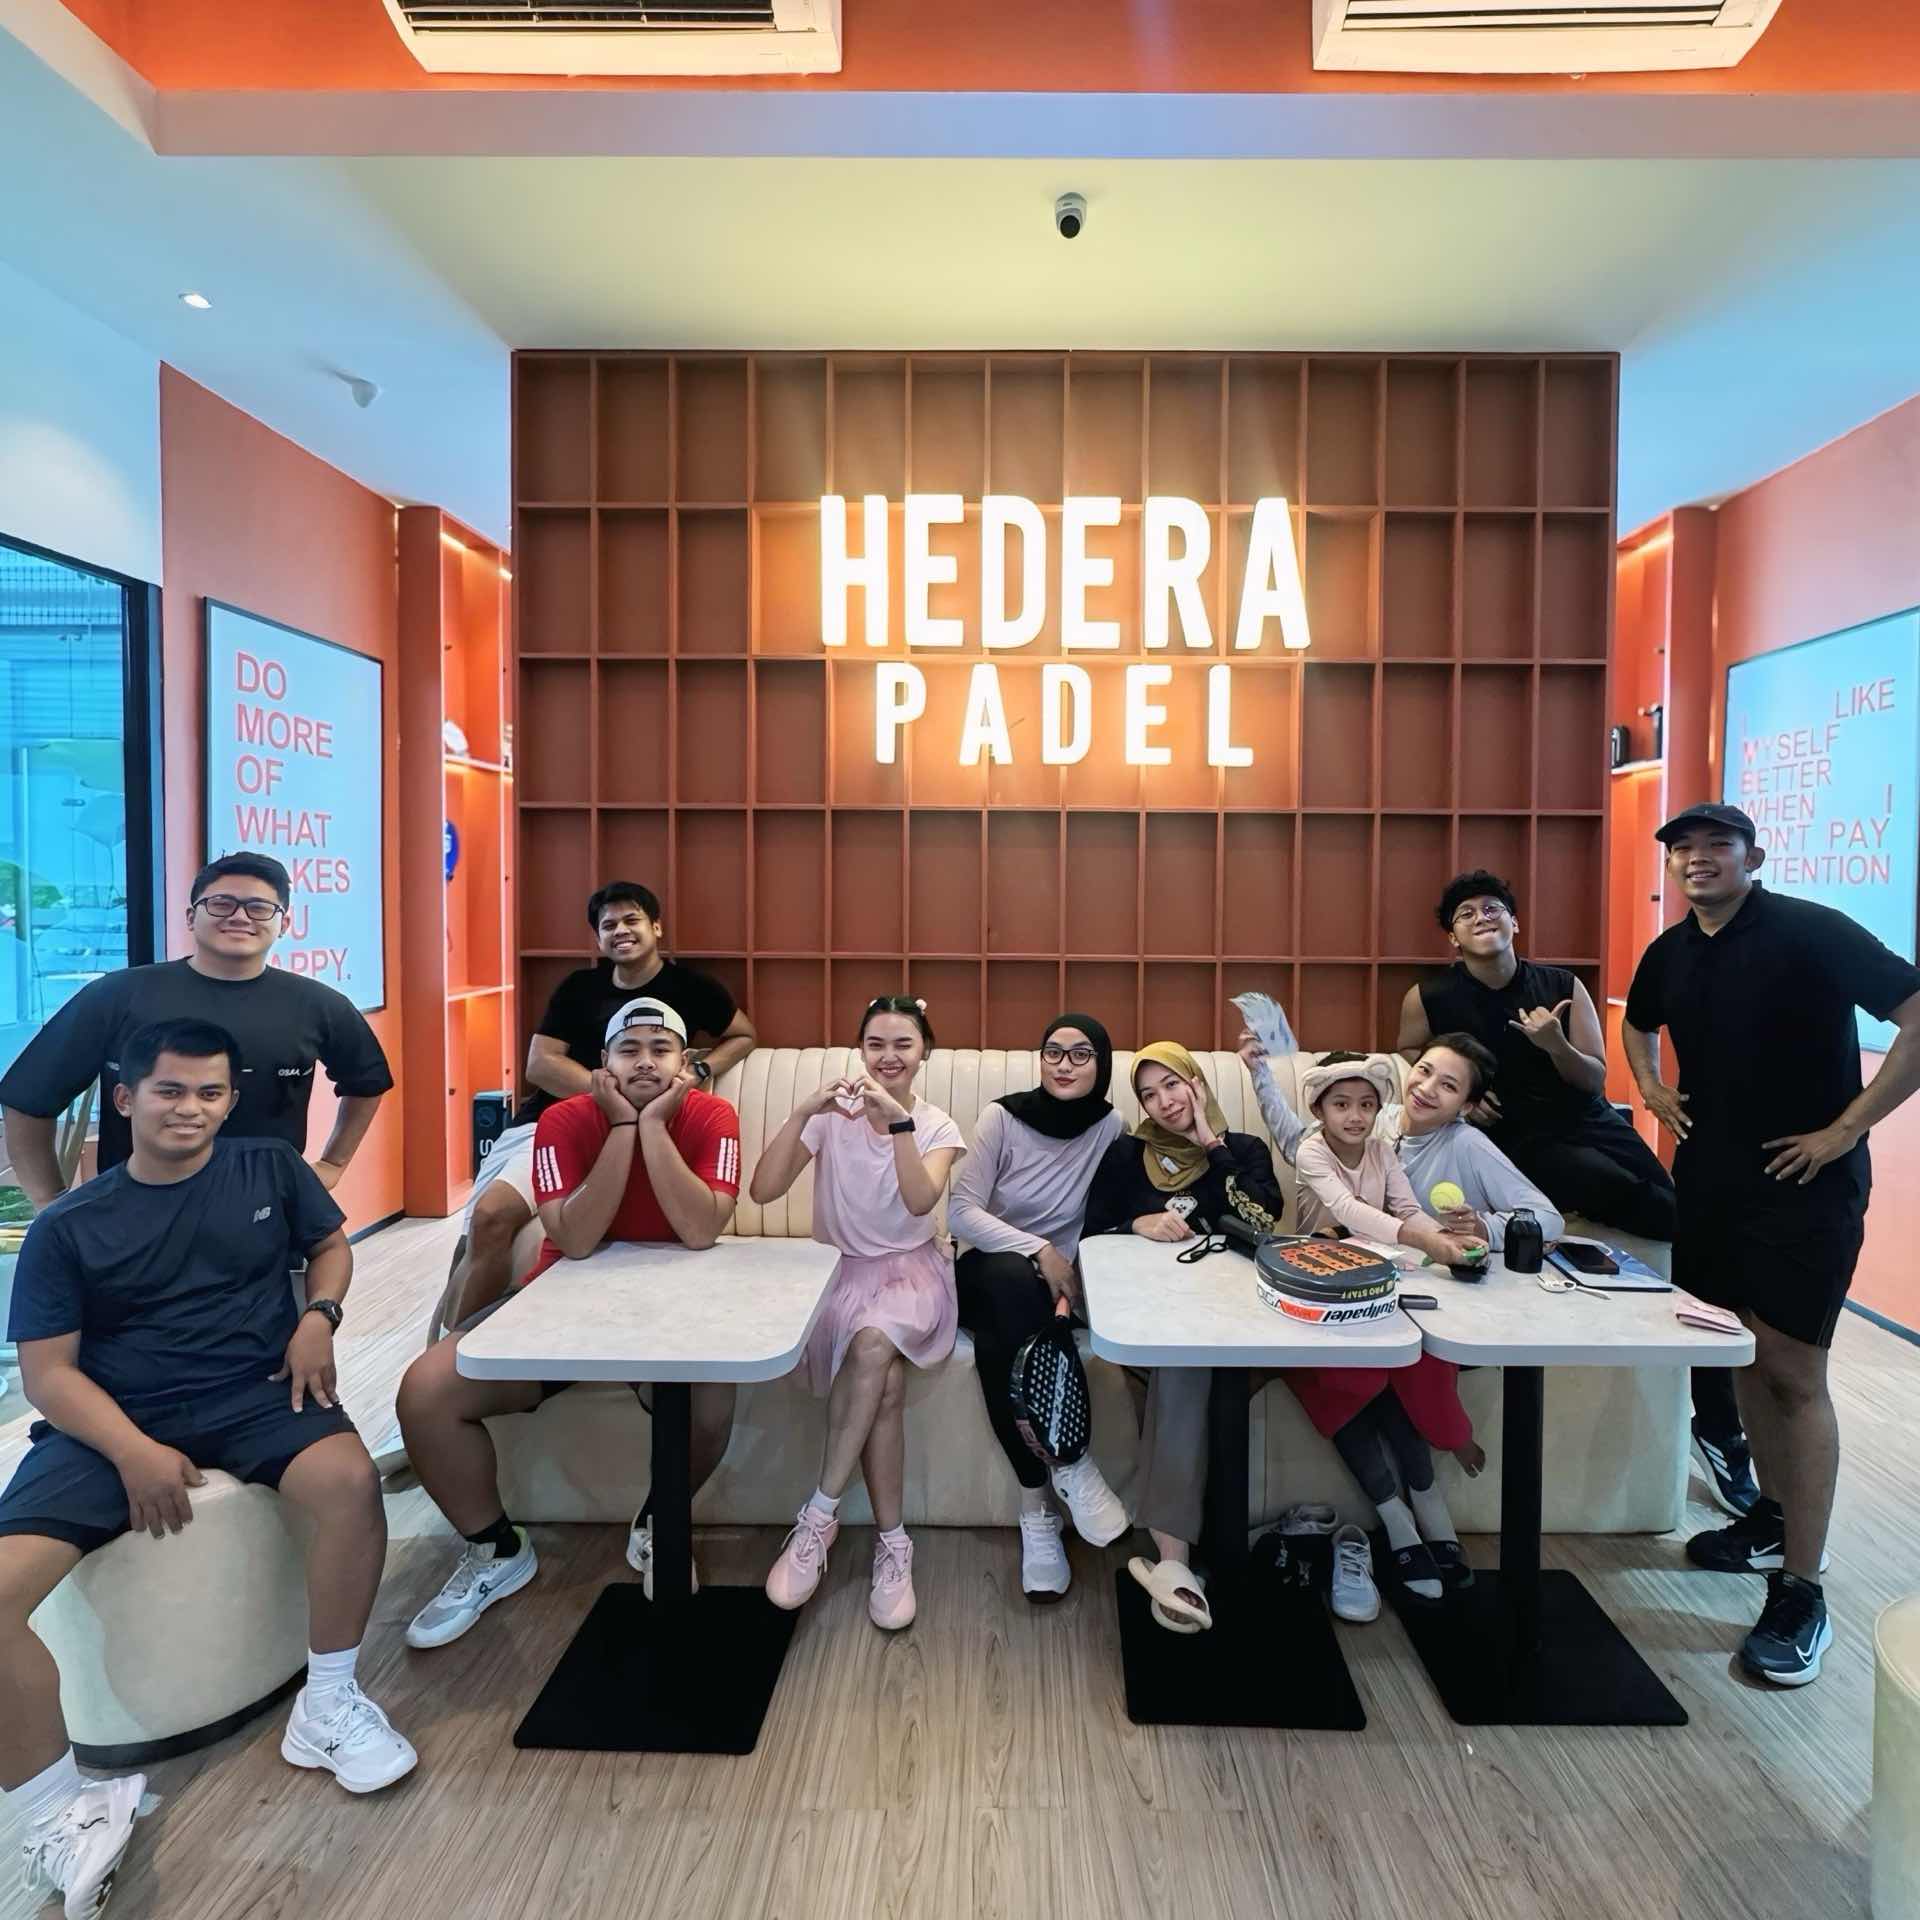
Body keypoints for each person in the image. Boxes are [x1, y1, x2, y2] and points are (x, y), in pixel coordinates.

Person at [2, 1020, 413, 1918]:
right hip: (111, 1417)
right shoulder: (69, 1226)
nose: (190, 1108)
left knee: (351, 1484)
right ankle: (58, 1810)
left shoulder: (269, 1168)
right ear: (126, 1099)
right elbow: (49, 1377)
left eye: (209, 1093)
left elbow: (330, 1247)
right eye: (169, 1090)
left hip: (256, 1389)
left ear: (230, 1101)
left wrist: (319, 1317)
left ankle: (328, 1704)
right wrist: (132, 1450)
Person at [1624, 803, 1920, 1687]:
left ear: (1753, 857)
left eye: (1717, 846)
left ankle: (1802, 1589)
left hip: (1806, 1189)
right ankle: (1772, 1520)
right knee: (1743, 1353)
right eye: (1683, 849)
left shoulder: (1811, 931)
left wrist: (1846, 1130)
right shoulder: (1671, 951)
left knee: (1793, 1372)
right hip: (1710, 1184)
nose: (1697, 860)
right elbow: (1637, 1022)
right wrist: (1649, 1086)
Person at [1399, 870, 1758, 1517]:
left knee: (1689, 1223)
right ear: (1452, 936)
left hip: (1589, 1122)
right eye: (1466, 913)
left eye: (1493, 908)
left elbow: (1594, 1078)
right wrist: (1464, 1101)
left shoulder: (1561, 986)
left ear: (1515, 923)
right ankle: (1722, 1424)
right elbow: (1410, 1060)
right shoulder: (1428, 996)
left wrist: (1554, 1043)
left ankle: (1716, 1419)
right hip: (1523, 1147)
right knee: (1654, 1209)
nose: (1482, 917)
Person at [397, 996, 742, 1648]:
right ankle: (496, 1548)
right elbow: (576, 1240)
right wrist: (623, 1128)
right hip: (561, 1301)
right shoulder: (562, 1120)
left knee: (712, 1407)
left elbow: (700, 1229)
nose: (645, 1063)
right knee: (425, 1393)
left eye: (661, 1050)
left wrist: (655, 1128)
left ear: (685, 1064)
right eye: (629, 1051)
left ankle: (659, 1520)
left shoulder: (712, 1115)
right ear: (603, 1063)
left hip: (674, 1305)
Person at [444, 881, 756, 1328]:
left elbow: (744, 1035)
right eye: (609, 926)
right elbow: (540, 1063)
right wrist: (611, 1097)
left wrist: (700, 1072)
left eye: (632, 920)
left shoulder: (690, 986)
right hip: (559, 1123)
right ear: (598, 938)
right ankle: (455, 1342)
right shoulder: (579, 988)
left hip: (650, 1124)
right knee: (489, 1217)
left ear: (656, 927)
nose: (621, 931)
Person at [0, 853, 392, 1208]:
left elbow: (367, 1081)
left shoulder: (318, 1004)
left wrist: (333, 1164)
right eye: (221, 904)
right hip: (134, 1218)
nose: (239, 917)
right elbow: (28, 1096)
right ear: (191, 917)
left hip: (268, 1216)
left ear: (284, 924)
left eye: (259, 908)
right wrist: (51, 1203)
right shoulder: (118, 995)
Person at [751, 998, 964, 1631]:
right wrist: (802, 1112)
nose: (888, 1056)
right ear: (860, 1050)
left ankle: (819, 1516)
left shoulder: (937, 1125)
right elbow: (763, 1190)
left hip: (910, 1275)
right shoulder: (832, 1121)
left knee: (873, 1344)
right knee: (886, 1384)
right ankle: (894, 1543)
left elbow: (920, 1201)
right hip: (837, 1277)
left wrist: (899, 1126)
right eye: (876, 1044)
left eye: (903, 1044)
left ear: (925, 1052)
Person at [1083, 1043, 1287, 1633]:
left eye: (1174, 1085)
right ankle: (1175, 1558)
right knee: (1182, 1357)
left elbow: (1261, 1219)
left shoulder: (1244, 1149)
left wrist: (1210, 1144)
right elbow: (1092, 1229)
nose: (1164, 1102)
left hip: (1237, 1307)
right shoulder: (1128, 1153)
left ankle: (1176, 1558)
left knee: (1192, 1359)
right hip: (1157, 1310)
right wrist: (1136, 1223)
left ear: (1197, 1084)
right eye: (1149, 1094)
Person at [1282, 1053, 1490, 1602]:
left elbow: (1406, 1209)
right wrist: (1425, 1241)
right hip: (1319, 1291)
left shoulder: (1381, 1150)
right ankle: (1397, 1519)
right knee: (1348, 1382)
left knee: (1411, 1361)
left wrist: (1444, 1238)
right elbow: (1349, 1211)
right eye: (1341, 1104)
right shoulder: (1311, 1151)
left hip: (1378, 1285)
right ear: (1319, 1110)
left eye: (1366, 1105)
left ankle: (1428, 1502)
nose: (1355, 1116)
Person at [947, 1014, 1130, 1601]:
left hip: (1055, 1288)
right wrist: (1039, 1249)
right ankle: (1069, 1468)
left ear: (1101, 1065)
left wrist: (1066, 1276)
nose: (1064, 1064)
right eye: (1053, 1051)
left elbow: (1102, 1217)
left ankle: (1038, 1510)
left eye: (1080, 1054)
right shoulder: (1002, 1118)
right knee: (1010, 1281)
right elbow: (960, 1212)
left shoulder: (1111, 1127)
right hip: (986, 1269)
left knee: (1005, 1341)